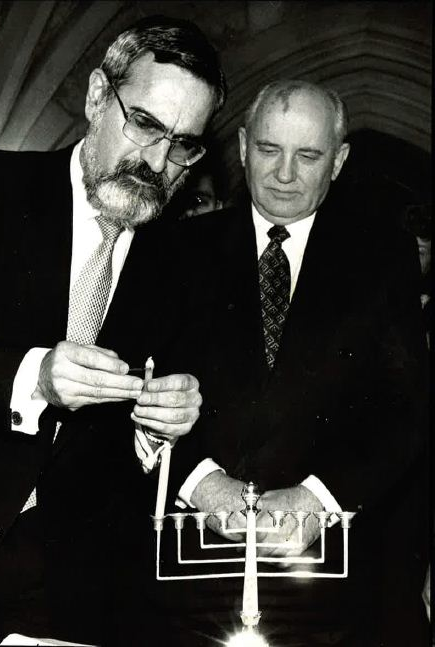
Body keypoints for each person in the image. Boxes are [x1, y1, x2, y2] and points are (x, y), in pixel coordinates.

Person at [0, 15, 226, 645]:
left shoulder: (181, 262)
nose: (157, 162)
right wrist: (34, 377)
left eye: (183, 145)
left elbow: (141, 449)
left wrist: (164, 424)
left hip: (69, 592)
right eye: (144, 124)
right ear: (98, 96)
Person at [162, 80, 429, 646]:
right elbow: (142, 391)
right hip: (190, 578)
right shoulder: (176, 251)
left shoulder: (383, 257)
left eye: (308, 155)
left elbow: (405, 410)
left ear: (339, 161)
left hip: (331, 585)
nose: (285, 174)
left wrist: (318, 498)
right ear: (241, 147)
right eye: (268, 149)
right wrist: (201, 484)